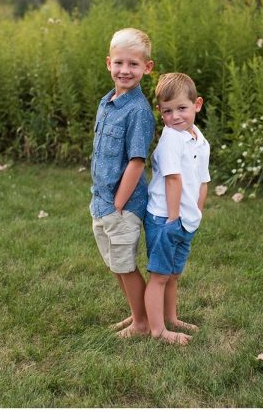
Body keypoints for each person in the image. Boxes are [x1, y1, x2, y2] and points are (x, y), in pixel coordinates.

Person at [90, 27, 155, 338]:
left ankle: (143, 324)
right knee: (116, 264)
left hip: (122, 204)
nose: (125, 70)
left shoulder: (138, 111)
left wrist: (118, 203)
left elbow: (136, 161)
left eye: (133, 64)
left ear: (147, 68)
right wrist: (105, 202)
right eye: (119, 63)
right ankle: (135, 314)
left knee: (126, 265)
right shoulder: (108, 103)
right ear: (108, 63)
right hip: (101, 201)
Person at [144, 73, 210, 345]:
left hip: (186, 219)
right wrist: (173, 218)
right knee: (159, 276)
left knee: (173, 274)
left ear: (197, 104)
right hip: (165, 218)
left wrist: (197, 213)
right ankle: (158, 330)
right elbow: (173, 179)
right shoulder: (171, 138)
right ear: (160, 112)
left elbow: (203, 180)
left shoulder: (198, 138)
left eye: (182, 108)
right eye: (167, 111)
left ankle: (171, 317)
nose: (175, 116)